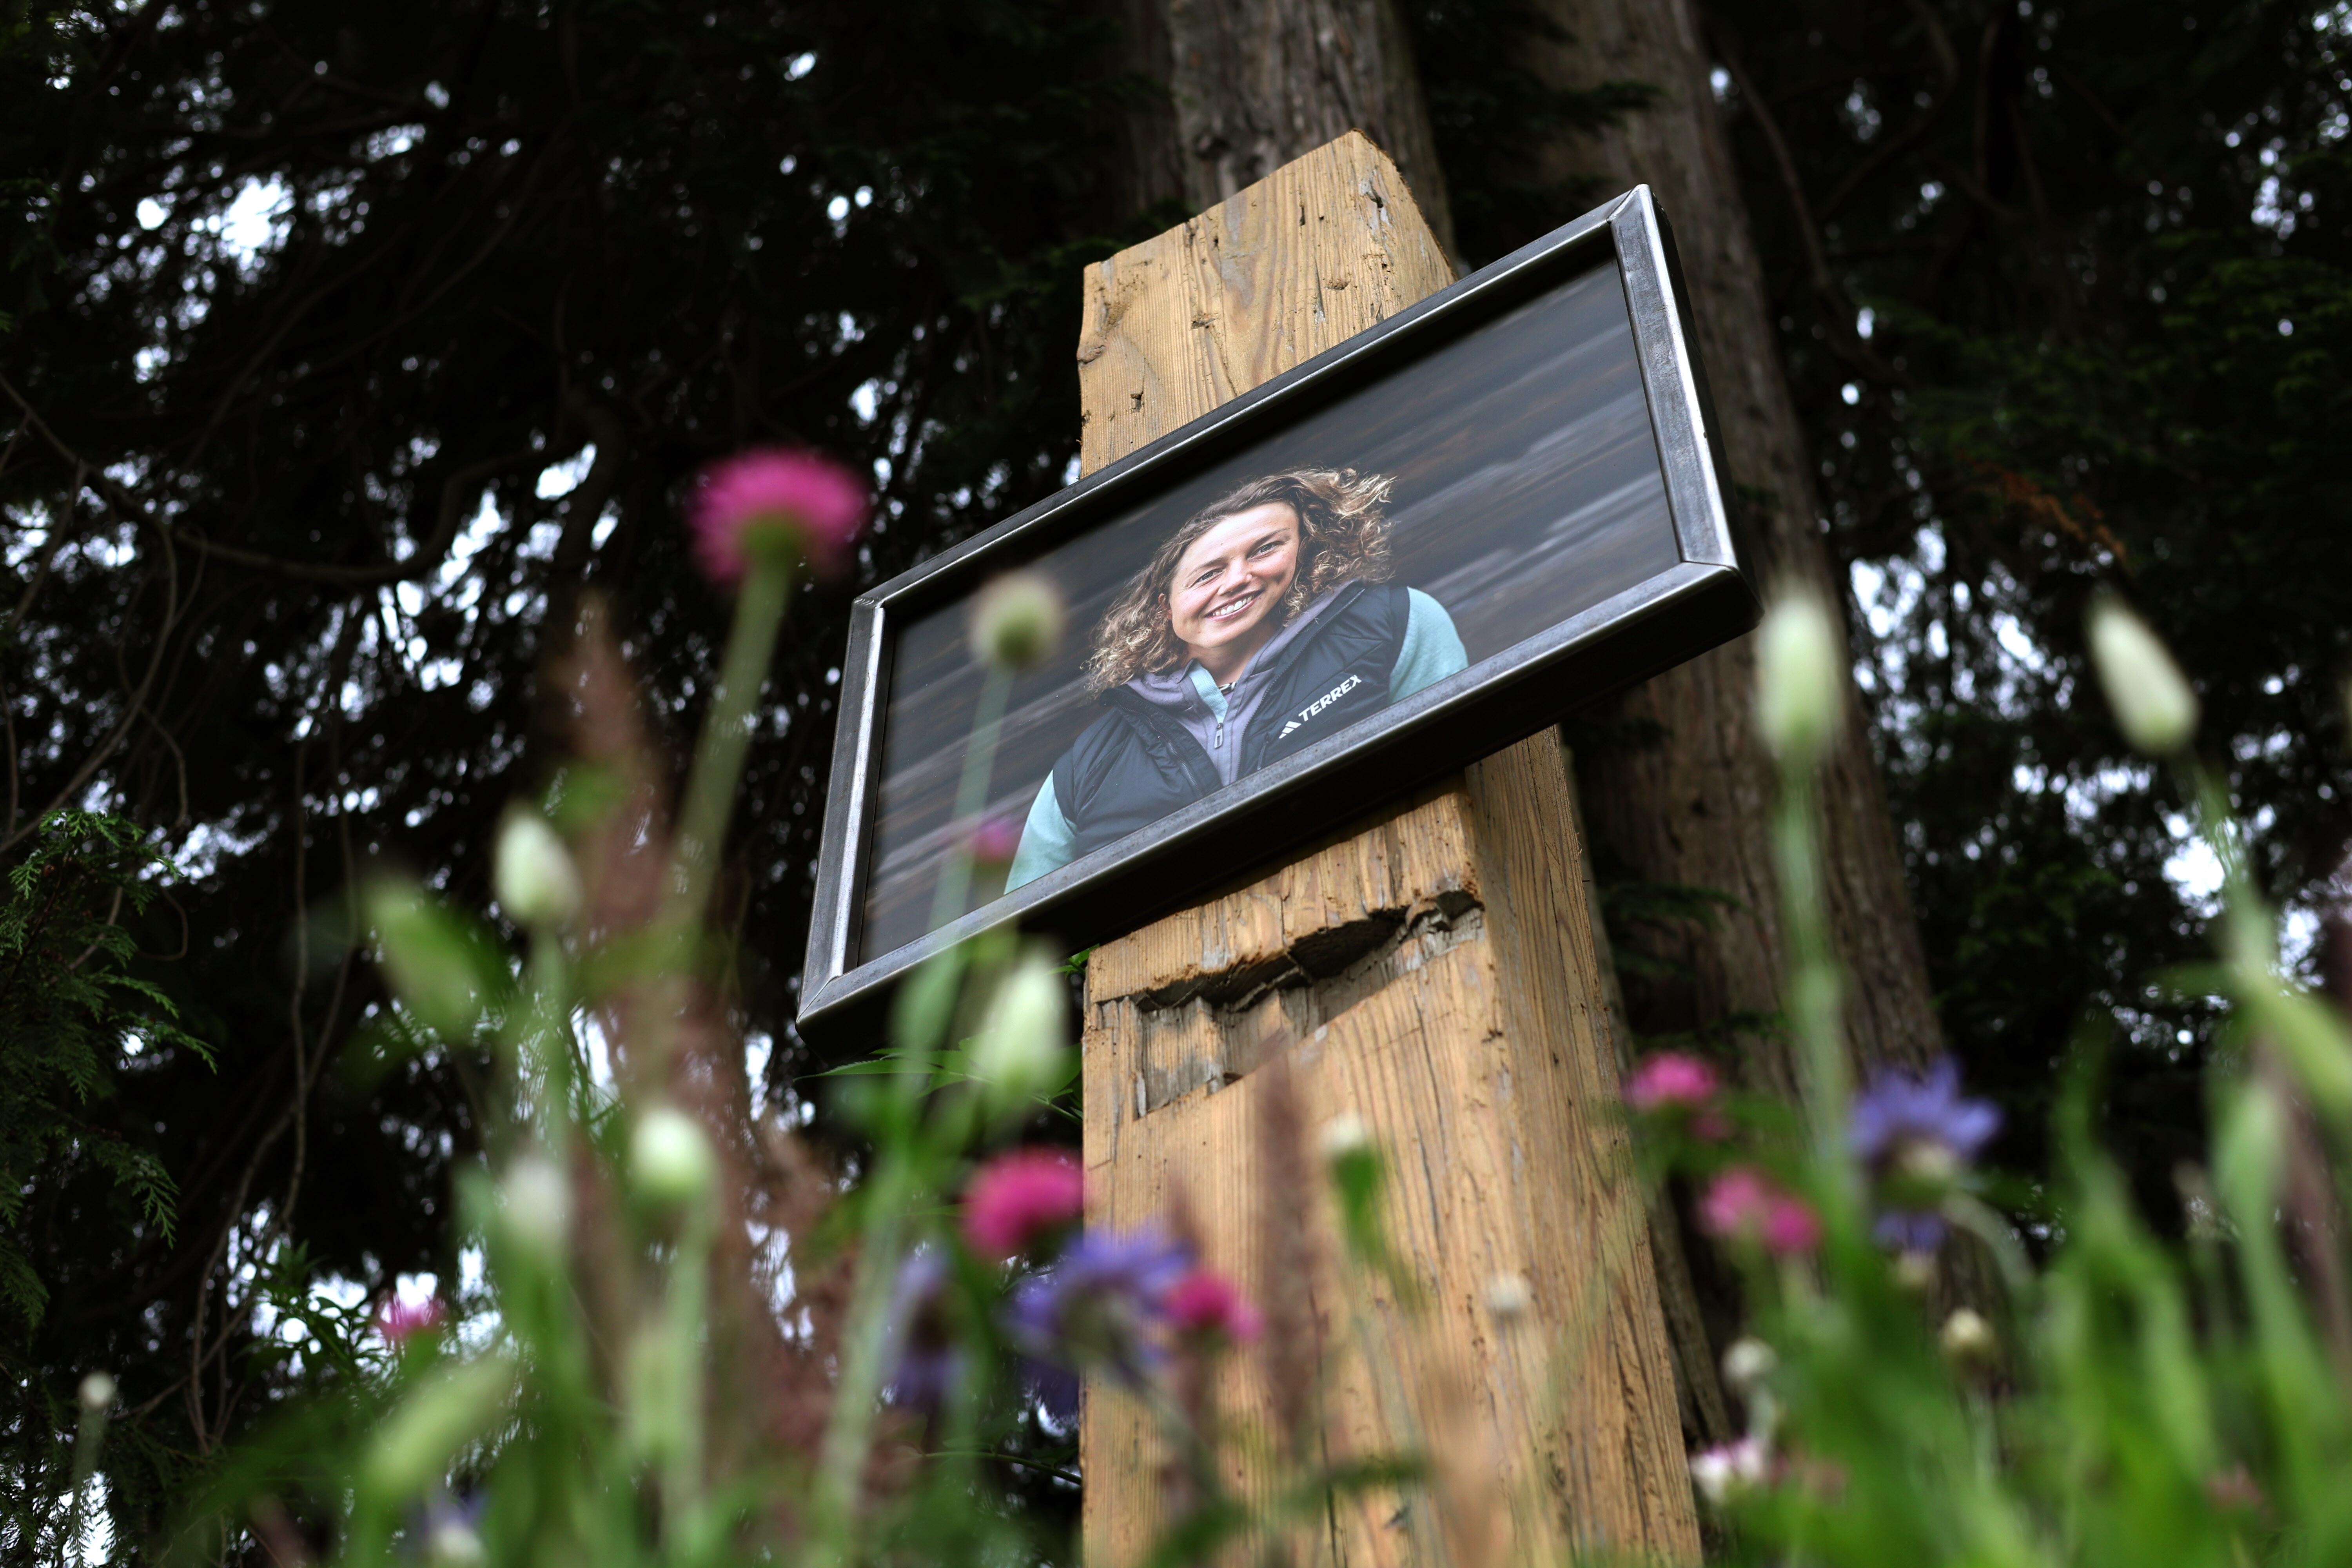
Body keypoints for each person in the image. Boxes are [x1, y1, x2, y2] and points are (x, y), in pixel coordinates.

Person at [1005, 468, 1466, 890]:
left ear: (1307, 549)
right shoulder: (1086, 768)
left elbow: (1451, 775)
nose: (1238, 579)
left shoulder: (1392, 624)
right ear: (1165, 609)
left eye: (1265, 548)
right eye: (1208, 574)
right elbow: (1027, 939)